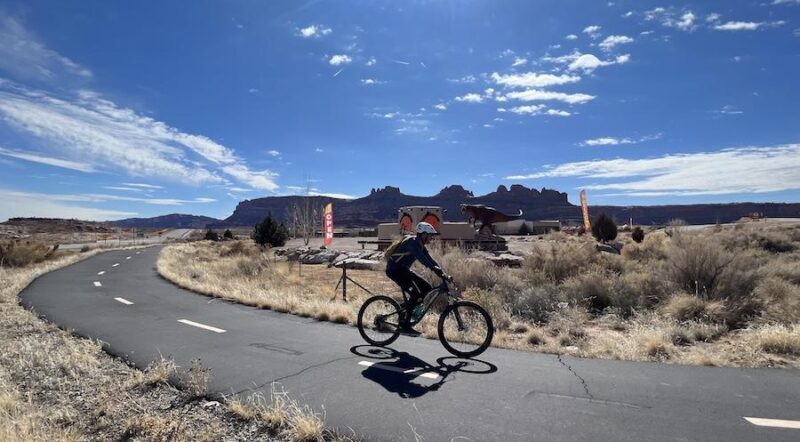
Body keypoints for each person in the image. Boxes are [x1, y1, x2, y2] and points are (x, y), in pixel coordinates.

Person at [385, 222, 451, 336]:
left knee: (427, 289)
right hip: (394, 271)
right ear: (423, 234)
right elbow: (422, 259)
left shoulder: (420, 244)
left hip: (403, 270)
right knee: (416, 294)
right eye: (430, 235)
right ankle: (405, 325)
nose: (431, 238)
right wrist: (436, 270)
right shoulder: (412, 242)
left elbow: (430, 260)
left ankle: (404, 310)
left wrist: (442, 273)